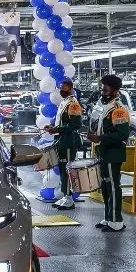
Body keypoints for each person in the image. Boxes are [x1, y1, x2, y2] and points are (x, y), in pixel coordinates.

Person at [86, 74, 130, 233]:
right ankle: (108, 217)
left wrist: (100, 138)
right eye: (102, 89)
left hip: (113, 152)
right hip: (103, 150)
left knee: (112, 186)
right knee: (105, 185)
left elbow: (123, 134)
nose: (102, 92)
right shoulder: (103, 105)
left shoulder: (118, 110)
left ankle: (116, 220)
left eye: (106, 89)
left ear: (116, 91)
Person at [43, 78, 82, 210]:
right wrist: (52, 126)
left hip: (69, 141)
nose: (61, 90)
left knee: (68, 170)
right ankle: (66, 195)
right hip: (61, 140)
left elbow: (76, 124)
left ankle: (70, 199)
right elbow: (61, 122)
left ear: (70, 88)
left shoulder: (73, 104)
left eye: (64, 87)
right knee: (62, 169)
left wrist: (57, 129)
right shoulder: (64, 103)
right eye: (60, 87)